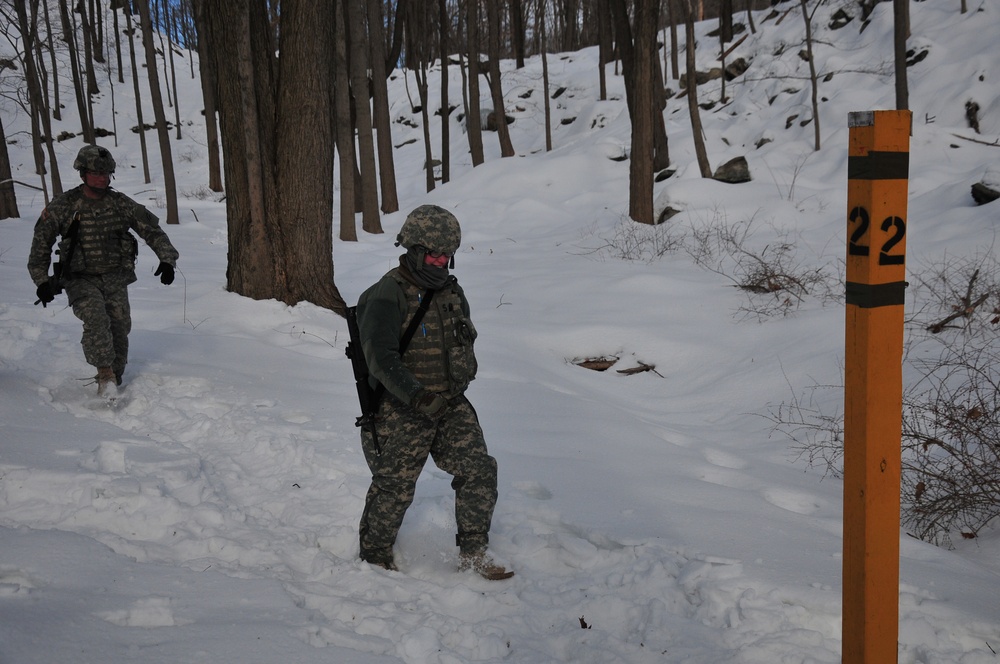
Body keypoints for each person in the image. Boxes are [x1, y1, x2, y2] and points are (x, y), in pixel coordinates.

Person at [355, 204, 513, 580]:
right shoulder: (387, 293)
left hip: (450, 402)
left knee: (479, 471)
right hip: (404, 405)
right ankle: (375, 558)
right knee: (394, 484)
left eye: (447, 254)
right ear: (413, 248)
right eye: (433, 253)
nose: (441, 261)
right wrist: (416, 396)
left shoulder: (451, 291)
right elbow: (380, 358)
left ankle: (474, 552)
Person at [28, 145, 179, 395]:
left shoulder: (120, 203)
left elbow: (152, 231)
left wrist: (167, 260)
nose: (102, 178)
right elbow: (41, 244)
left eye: (106, 174)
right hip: (80, 278)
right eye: (96, 173)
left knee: (119, 328)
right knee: (97, 319)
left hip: (115, 277)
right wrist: (42, 281)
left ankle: (114, 376)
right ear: (83, 174)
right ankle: (105, 376)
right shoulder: (64, 205)